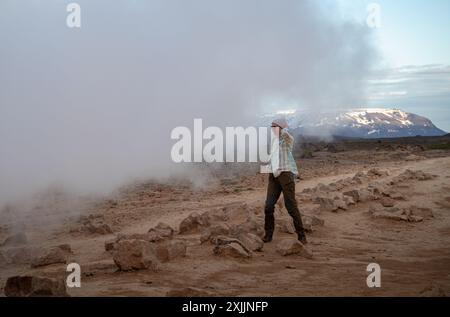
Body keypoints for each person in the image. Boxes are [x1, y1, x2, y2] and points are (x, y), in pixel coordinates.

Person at [263, 118, 307, 244]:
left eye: (274, 127)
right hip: (274, 175)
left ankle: (301, 235)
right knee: (268, 206)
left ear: (281, 128)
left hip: (286, 174)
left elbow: (286, 134)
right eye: (271, 126)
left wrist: (281, 127)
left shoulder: (287, 140)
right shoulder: (273, 141)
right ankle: (268, 234)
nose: (272, 129)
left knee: (291, 206)